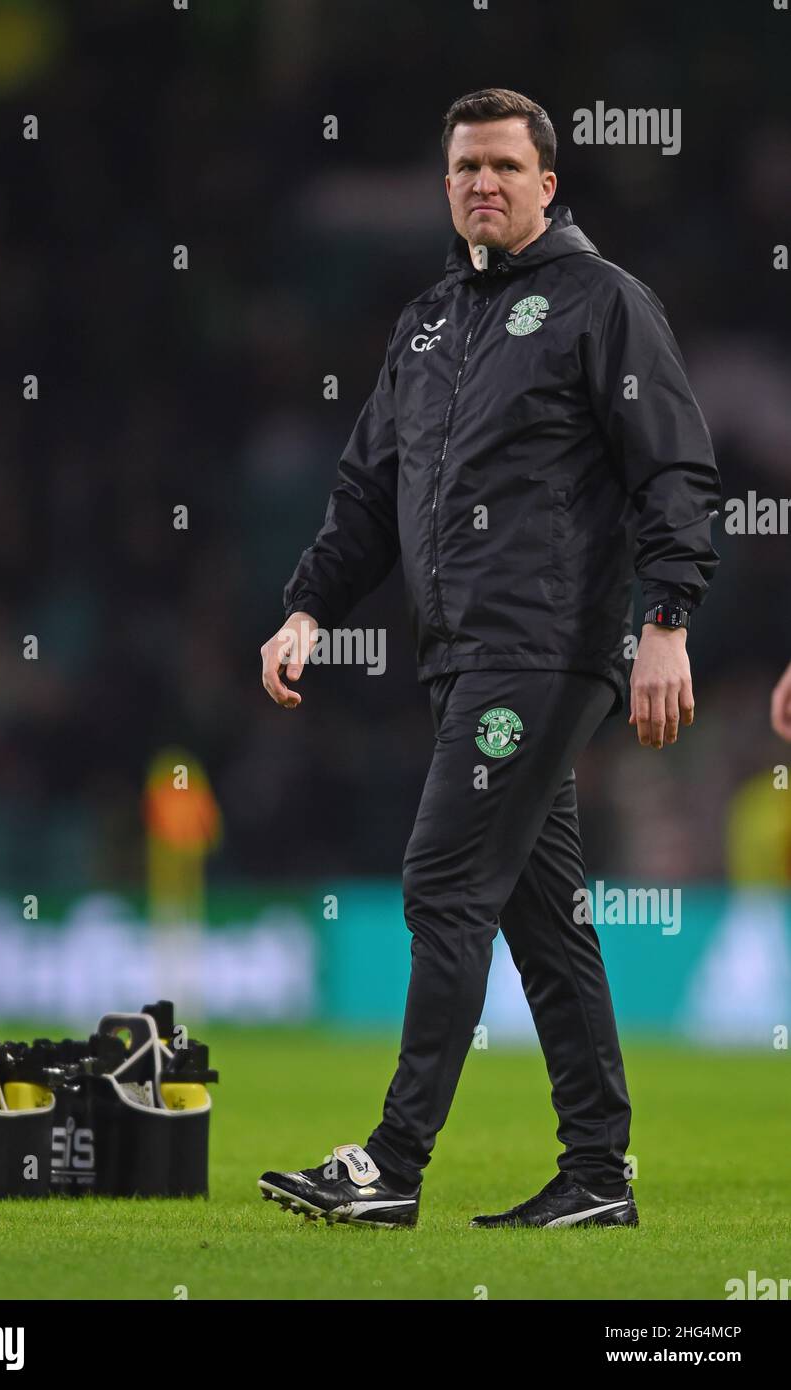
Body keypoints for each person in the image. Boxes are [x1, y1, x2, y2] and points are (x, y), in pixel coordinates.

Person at [257, 88, 720, 1229]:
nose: (482, 185)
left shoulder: (602, 303)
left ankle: (393, 1164)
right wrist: (309, 606)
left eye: (506, 167)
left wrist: (667, 618)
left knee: (443, 880)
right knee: (539, 916)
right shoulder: (425, 324)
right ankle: (598, 1178)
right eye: (465, 167)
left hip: (546, 646)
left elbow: (675, 466)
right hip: (462, 656)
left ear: (548, 184)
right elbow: (371, 489)